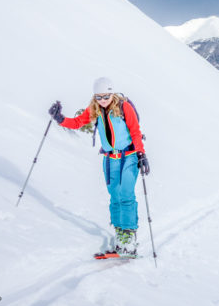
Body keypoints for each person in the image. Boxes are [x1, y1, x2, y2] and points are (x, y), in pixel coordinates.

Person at [48, 77, 150, 255]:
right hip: (110, 158)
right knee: (114, 195)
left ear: (112, 93)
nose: (102, 100)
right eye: (98, 97)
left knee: (126, 193)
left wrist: (141, 154)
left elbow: (135, 131)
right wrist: (60, 118)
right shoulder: (94, 109)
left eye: (106, 96)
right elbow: (78, 122)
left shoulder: (124, 107)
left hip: (130, 155)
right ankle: (120, 234)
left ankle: (130, 235)